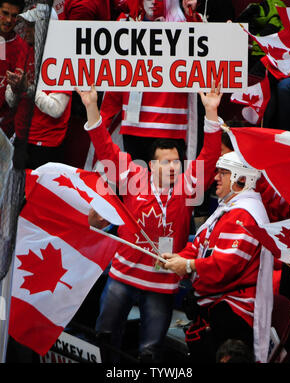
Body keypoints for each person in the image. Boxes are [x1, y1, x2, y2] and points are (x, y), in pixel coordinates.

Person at [77, 82, 223, 362]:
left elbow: (210, 155)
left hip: (161, 286)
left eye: (176, 162)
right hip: (122, 277)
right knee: (104, 338)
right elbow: (106, 149)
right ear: (152, 165)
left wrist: (212, 114)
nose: (172, 167)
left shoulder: (187, 186)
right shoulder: (133, 177)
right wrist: (91, 106)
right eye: (166, 163)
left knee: (150, 353)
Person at [161, 150, 274, 363]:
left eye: (223, 173)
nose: (215, 178)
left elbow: (227, 264)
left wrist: (188, 264)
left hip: (233, 313)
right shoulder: (228, 209)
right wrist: (176, 258)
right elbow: (198, 246)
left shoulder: (245, 213)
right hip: (217, 308)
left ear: (241, 178)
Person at [92, 0, 191, 164]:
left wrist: (191, 16)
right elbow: (116, 75)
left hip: (169, 126)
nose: (153, 2)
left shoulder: (185, 22)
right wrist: (102, 120)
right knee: (136, 186)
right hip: (134, 125)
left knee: (168, 186)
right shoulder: (125, 22)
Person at [5, 5, 72, 169]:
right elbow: (11, 101)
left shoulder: (63, 58)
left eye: (32, 26)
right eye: (27, 24)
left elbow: (56, 109)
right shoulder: (27, 50)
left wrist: (29, 90)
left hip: (46, 144)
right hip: (22, 137)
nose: (26, 29)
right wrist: (14, 88)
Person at [0, 0, 25, 138]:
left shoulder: (21, 48)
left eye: (14, 15)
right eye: (5, 13)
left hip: (4, 125)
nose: (9, 20)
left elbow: (18, 98)